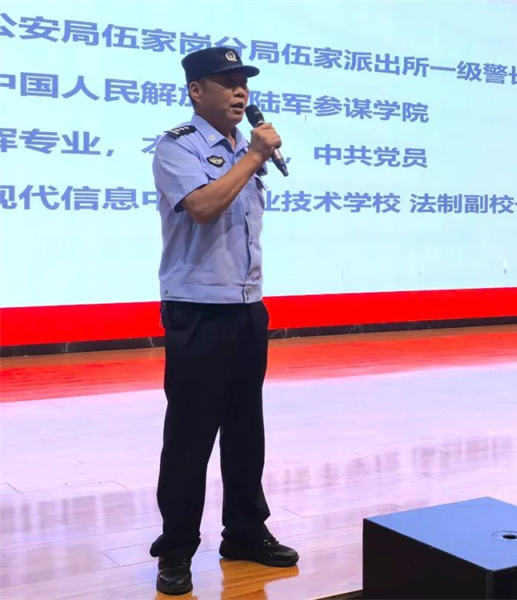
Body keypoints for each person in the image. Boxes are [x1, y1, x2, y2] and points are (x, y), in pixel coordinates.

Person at [149, 46, 298, 596]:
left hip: (247, 307)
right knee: (190, 435)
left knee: (245, 428)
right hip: (198, 308)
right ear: (196, 91)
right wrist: (254, 157)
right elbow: (204, 207)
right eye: (227, 81)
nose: (240, 91)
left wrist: (249, 155)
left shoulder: (242, 148)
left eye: (244, 83)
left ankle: (245, 532)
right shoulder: (178, 146)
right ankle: (176, 550)